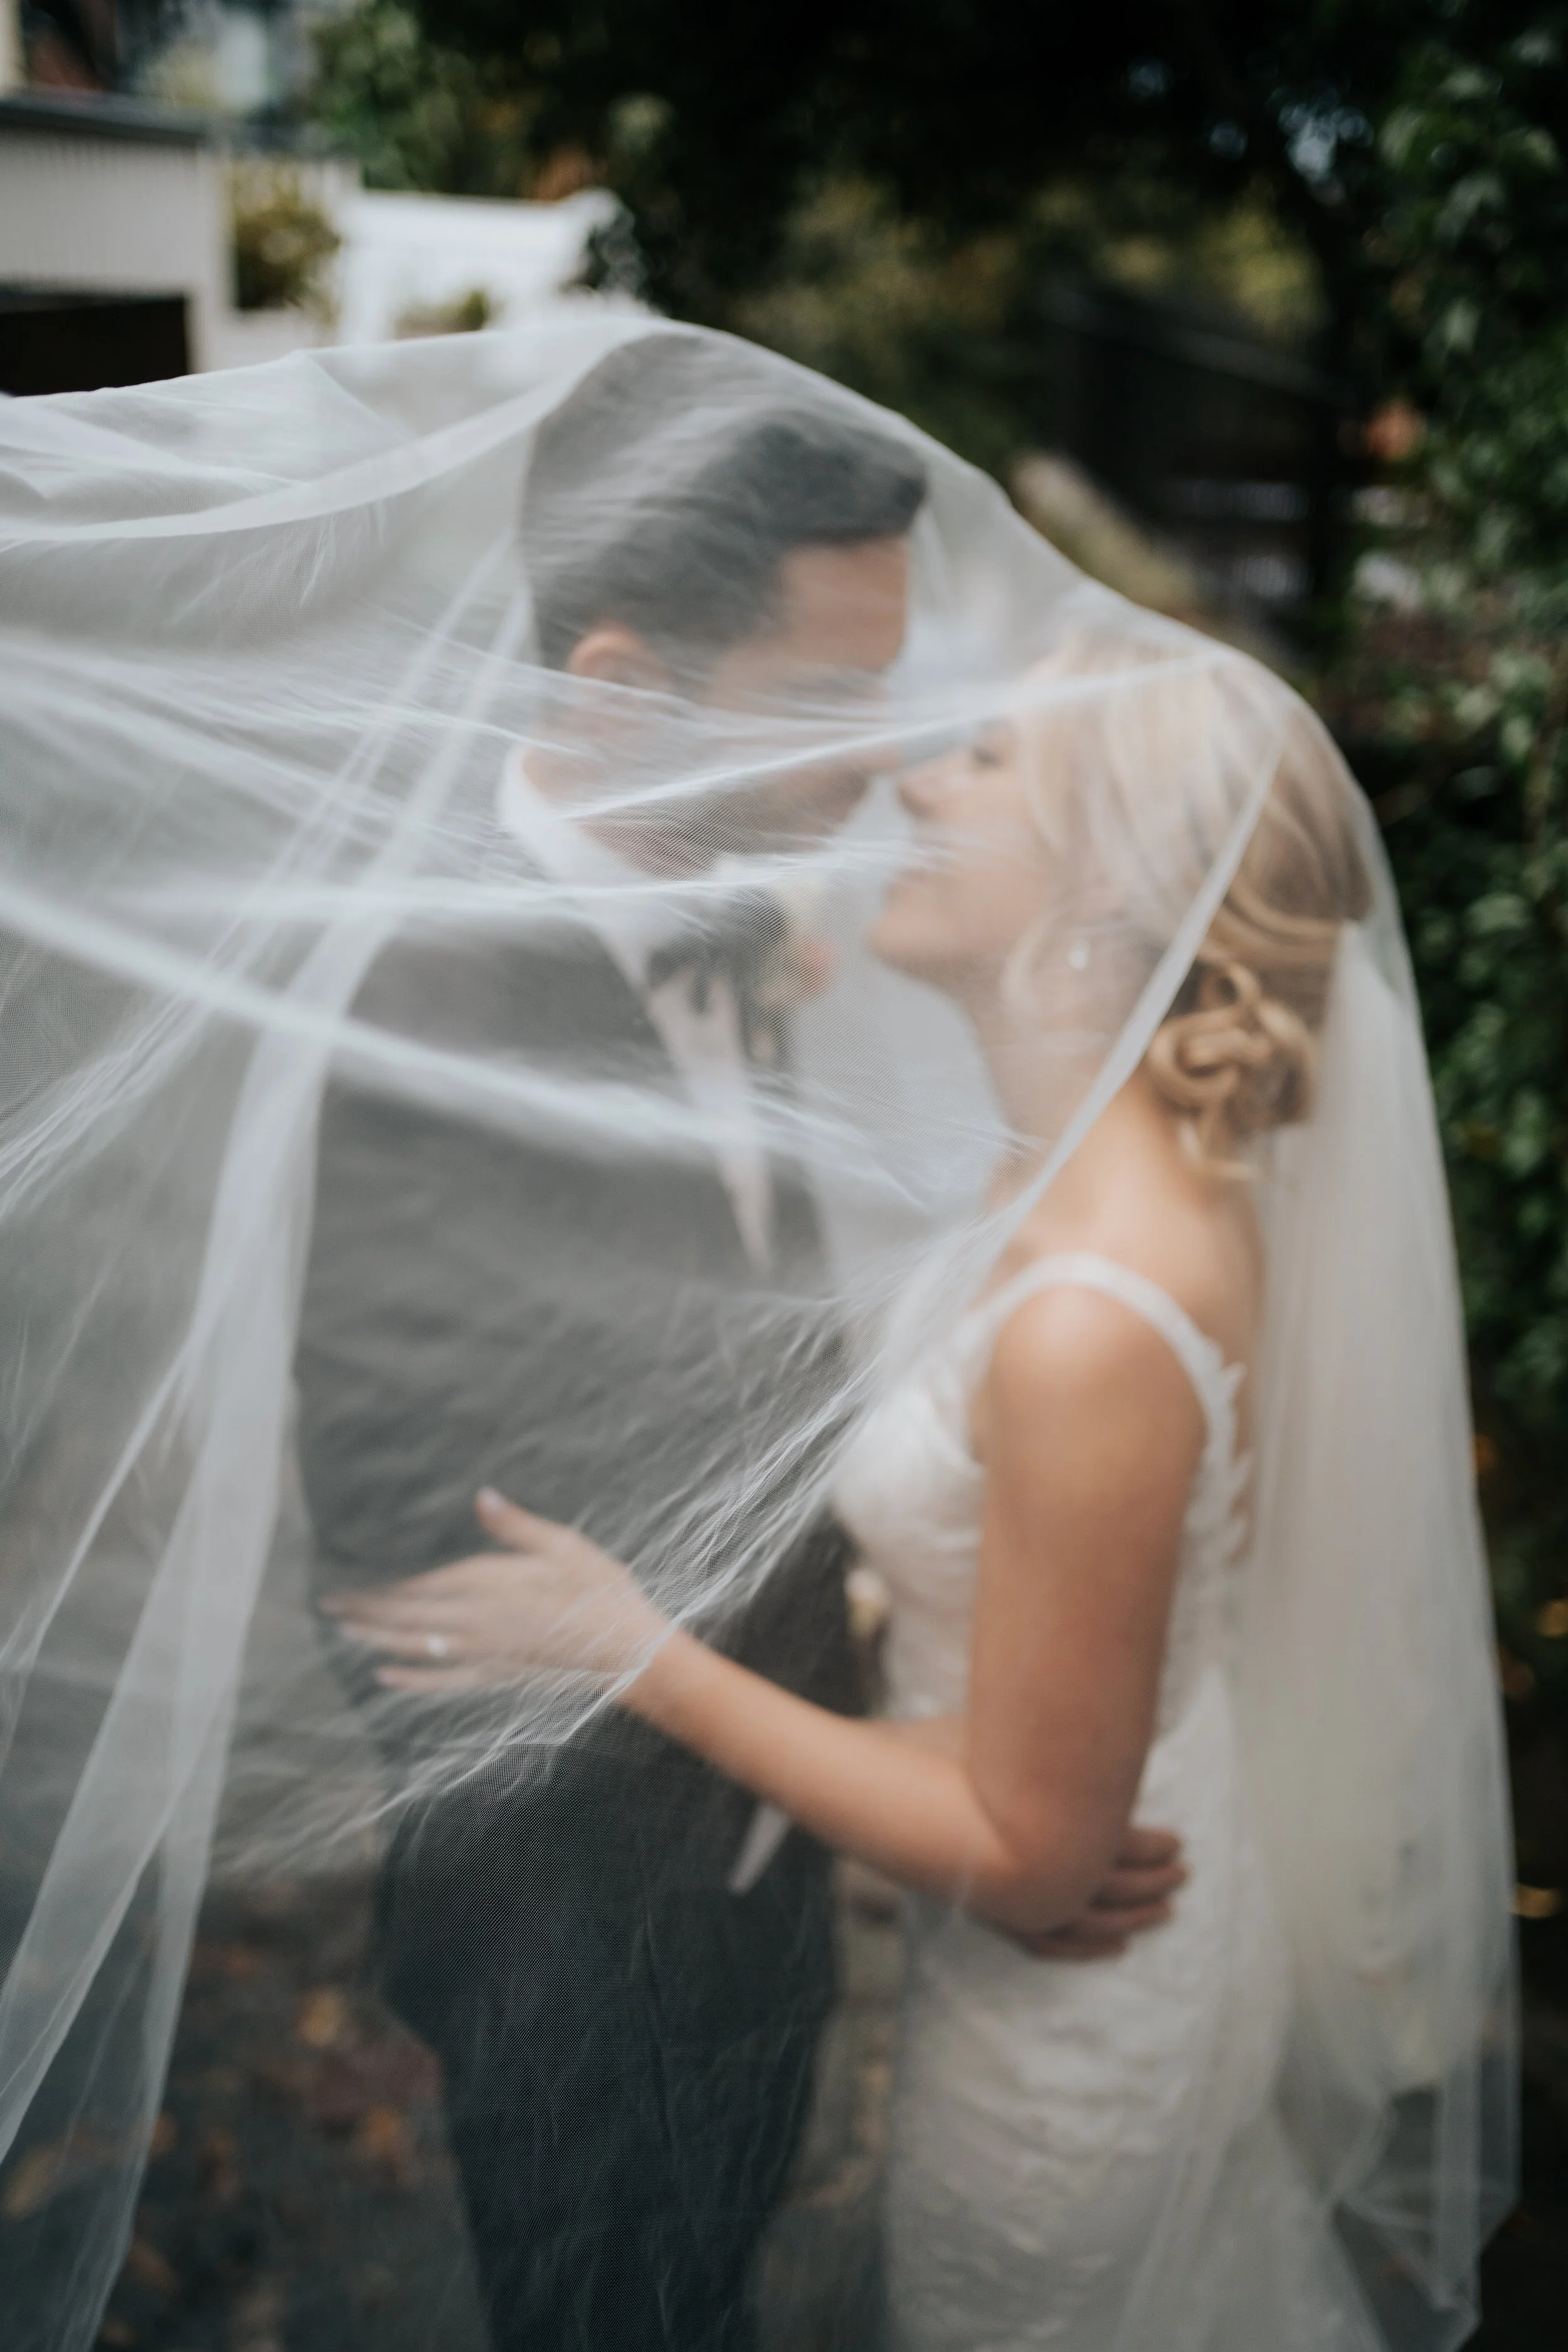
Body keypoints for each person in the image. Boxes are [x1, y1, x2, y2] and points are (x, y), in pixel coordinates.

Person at [333, 628, 1516, 2349]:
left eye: (982, 762)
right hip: (1057, 1950)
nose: (911, 777)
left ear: (1111, 899)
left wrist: (626, 1642)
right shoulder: (1073, 1171)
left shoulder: (1090, 1320)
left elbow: (1036, 1860)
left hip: (1069, 2026)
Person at [296, 347, 1183, 2352]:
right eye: (826, 702)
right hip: (589, 1932)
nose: (877, 761)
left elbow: (741, 1400)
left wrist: (951, 1776)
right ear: (616, 689)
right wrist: (644, 1929)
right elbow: (408, 1572)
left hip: (790, 1846)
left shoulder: (714, 896)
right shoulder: (425, 1020)